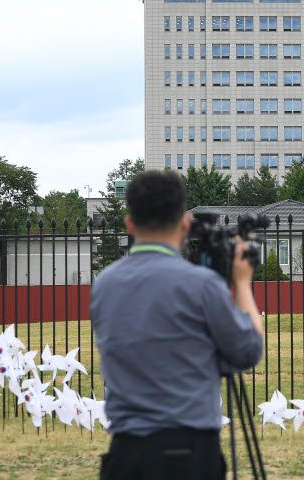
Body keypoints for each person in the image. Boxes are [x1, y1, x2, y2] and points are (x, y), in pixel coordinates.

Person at [91, 170, 263, 480]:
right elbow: (246, 351)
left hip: (124, 455)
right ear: (185, 223)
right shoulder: (202, 285)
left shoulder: (104, 285)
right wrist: (242, 282)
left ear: (129, 224)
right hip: (189, 454)